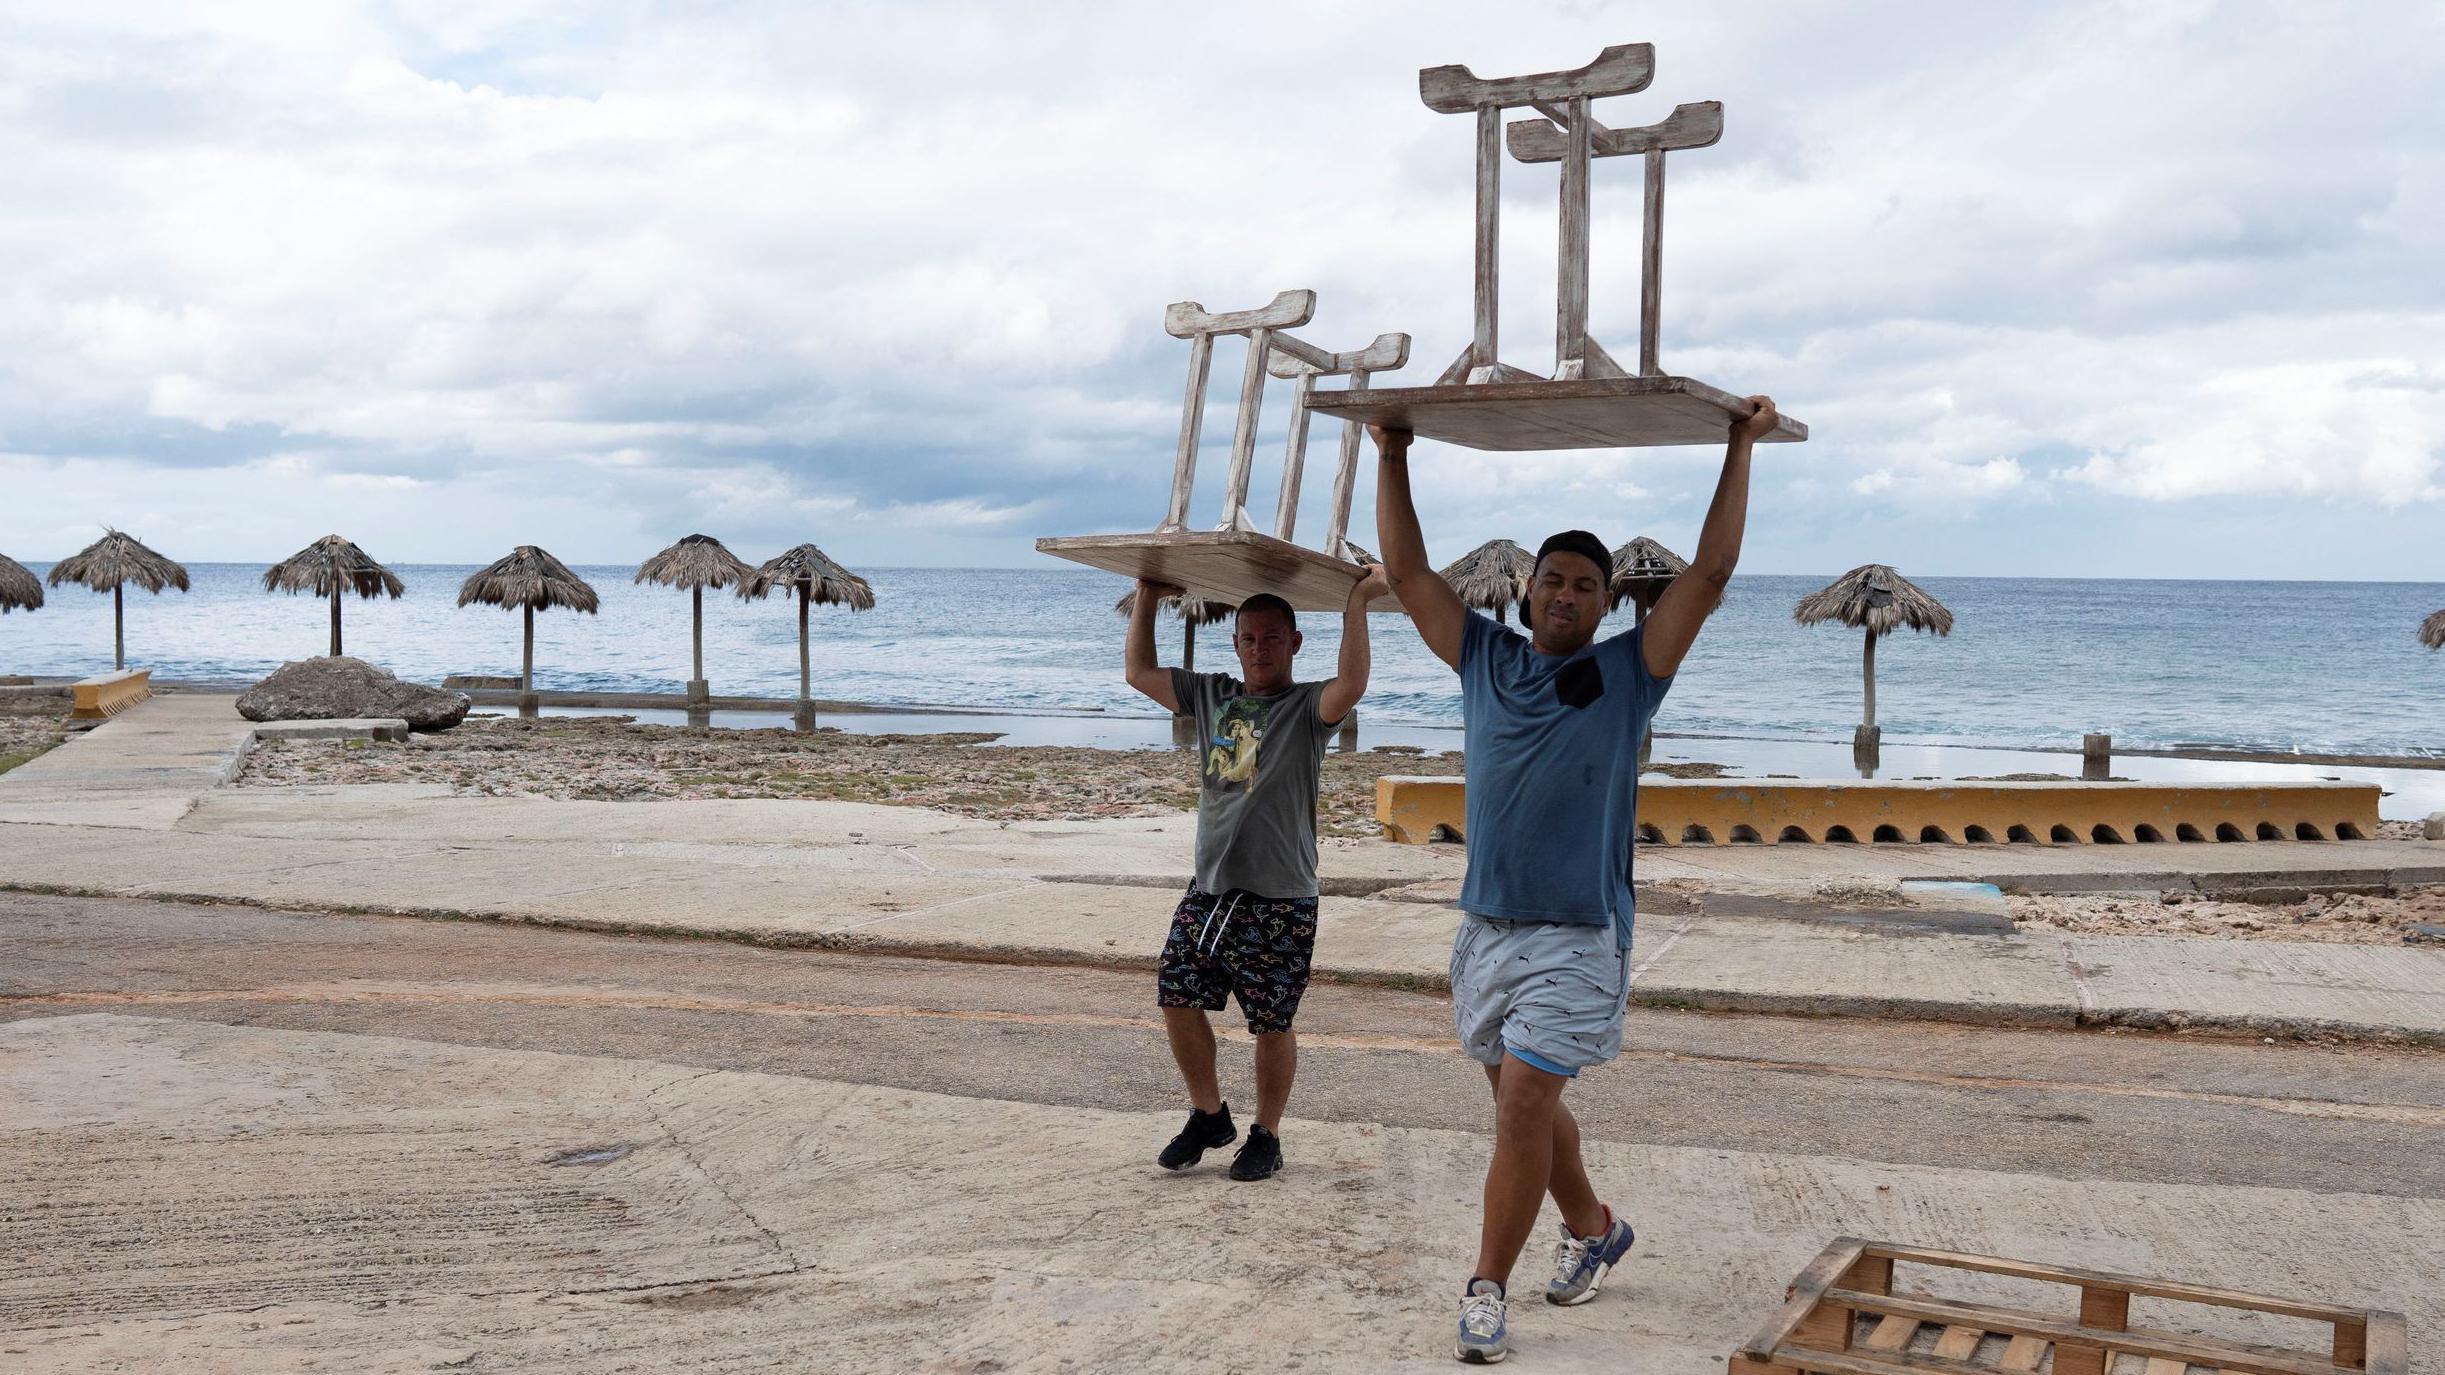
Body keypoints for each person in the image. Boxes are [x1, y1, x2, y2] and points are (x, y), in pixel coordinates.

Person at [1372, 398, 1779, 1363]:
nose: (1565, 593)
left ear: (1606, 603)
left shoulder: (1629, 672)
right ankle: (1597, 1227)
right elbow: (1406, 573)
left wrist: (1738, 444)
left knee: (1519, 1109)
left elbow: (1711, 571)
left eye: (1584, 584)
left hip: (1578, 931)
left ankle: (1484, 1290)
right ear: (1525, 592)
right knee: (1526, 1106)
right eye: (1552, 579)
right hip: (1485, 928)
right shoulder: (1482, 657)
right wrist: (1392, 452)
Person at [1122, 567, 1387, 1181]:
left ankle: (1266, 1135)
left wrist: (1357, 603)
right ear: (1236, 643)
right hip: (1211, 890)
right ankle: (1209, 1115)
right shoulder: (1213, 694)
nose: (1260, 649)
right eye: (1249, 638)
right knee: (1176, 995)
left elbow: (1354, 682)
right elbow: (1138, 673)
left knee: (1272, 1021)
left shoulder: (1307, 707)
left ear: (1294, 643)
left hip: (1281, 897)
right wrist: (1146, 597)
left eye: (1272, 638)